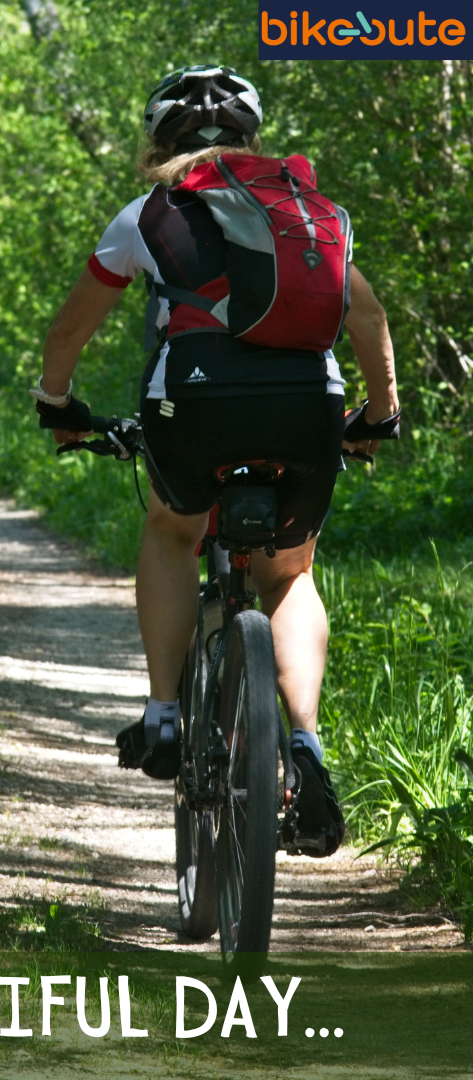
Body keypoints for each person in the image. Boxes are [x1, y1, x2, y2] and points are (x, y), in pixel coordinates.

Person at [33, 66, 400, 856]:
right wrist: (378, 416)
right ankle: (305, 745)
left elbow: (68, 334)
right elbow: (365, 313)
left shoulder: (147, 214)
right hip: (308, 406)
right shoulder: (306, 211)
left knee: (172, 528)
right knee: (290, 575)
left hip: (193, 407)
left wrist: (57, 407)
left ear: (158, 142)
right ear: (250, 138)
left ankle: (164, 716)